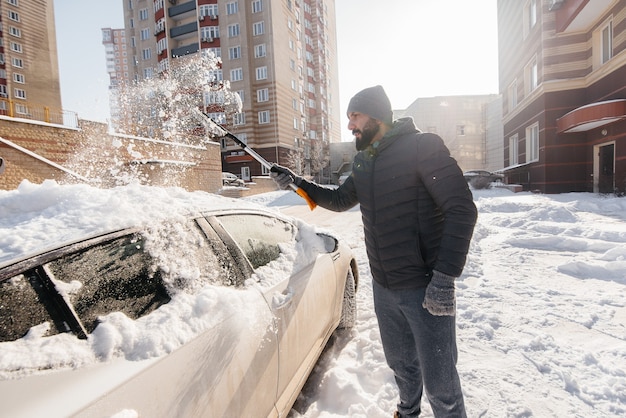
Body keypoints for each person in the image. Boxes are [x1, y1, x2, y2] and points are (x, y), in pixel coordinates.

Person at [271, 85, 477, 417]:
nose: (350, 125)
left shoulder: (423, 147)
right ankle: (407, 413)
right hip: (384, 286)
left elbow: (462, 210)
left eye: (355, 116)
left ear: (376, 116)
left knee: (442, 385)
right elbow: (339, 199)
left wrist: (444, 279)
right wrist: (297, 182)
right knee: (402, 367)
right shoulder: (365, 162)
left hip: (426, 287)